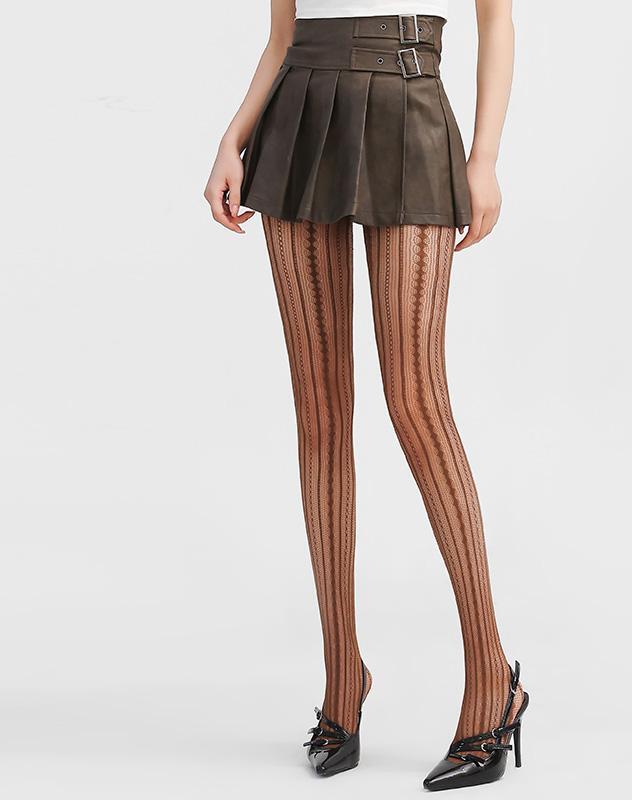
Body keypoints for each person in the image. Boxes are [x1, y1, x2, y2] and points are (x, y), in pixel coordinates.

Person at [204, 0, 528, 790]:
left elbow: (497, 20)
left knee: (417, 402)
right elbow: (282, 37)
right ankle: (343, 678)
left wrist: (485, 158)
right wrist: (231, 139)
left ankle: (492, 676)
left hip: (410, 105)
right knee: (319, 415)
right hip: (296, 119)